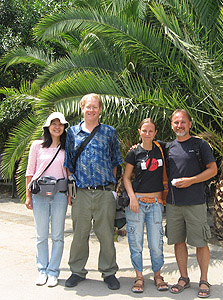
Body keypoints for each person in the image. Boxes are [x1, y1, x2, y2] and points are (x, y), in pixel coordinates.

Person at [64, 93, 123, 290]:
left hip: (104, 192)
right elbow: (69, 164)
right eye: (88, 107)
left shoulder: (109, 132)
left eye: (95, 107)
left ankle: (108, 271)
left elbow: (115, 162)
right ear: (82, 108)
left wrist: (111, 189)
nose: (91, 110)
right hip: (80, 192)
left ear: (100, 109)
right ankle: (77, 271)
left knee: (106, 234)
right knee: (79, 234)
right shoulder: (72, 133)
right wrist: (71, 191)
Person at [166, 109, 217, 298]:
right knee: (179, 242)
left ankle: (204, 280)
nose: (179, 125)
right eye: (176, 122)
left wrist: (191, 180)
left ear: (190, 124)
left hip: (195, 202)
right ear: (172, 125)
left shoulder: (200, 145)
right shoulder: (168, 147)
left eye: (183, 122)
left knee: (200, 242)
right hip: (173, 204)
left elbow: (213, 170)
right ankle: (183, 278)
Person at [123, 118, 168, 293]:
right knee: (136, 243)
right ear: (139, 132)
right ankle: (139, 277)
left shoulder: (162, 149)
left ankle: (158, 276)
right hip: (137, 203)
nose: (147, 134)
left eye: (151, 131)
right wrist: (132, 198)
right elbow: (126, 177)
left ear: (155, 133)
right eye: (144, 131)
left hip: (156, 203)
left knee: (156, 243)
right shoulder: (134, 153)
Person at [25, 112, 69, 287]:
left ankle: (53, 272)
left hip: (60, 195)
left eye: (60, 124)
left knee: (58, 236)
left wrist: (70, 194)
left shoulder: (67, 147)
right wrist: (28, 196)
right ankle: (42, 270)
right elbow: (30, 171)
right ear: (48, 126)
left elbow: (68, 172)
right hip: (39, 195)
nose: (57, 127)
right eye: (54, 124)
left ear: (64, 127)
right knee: (41, 235)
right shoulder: (37, 145)